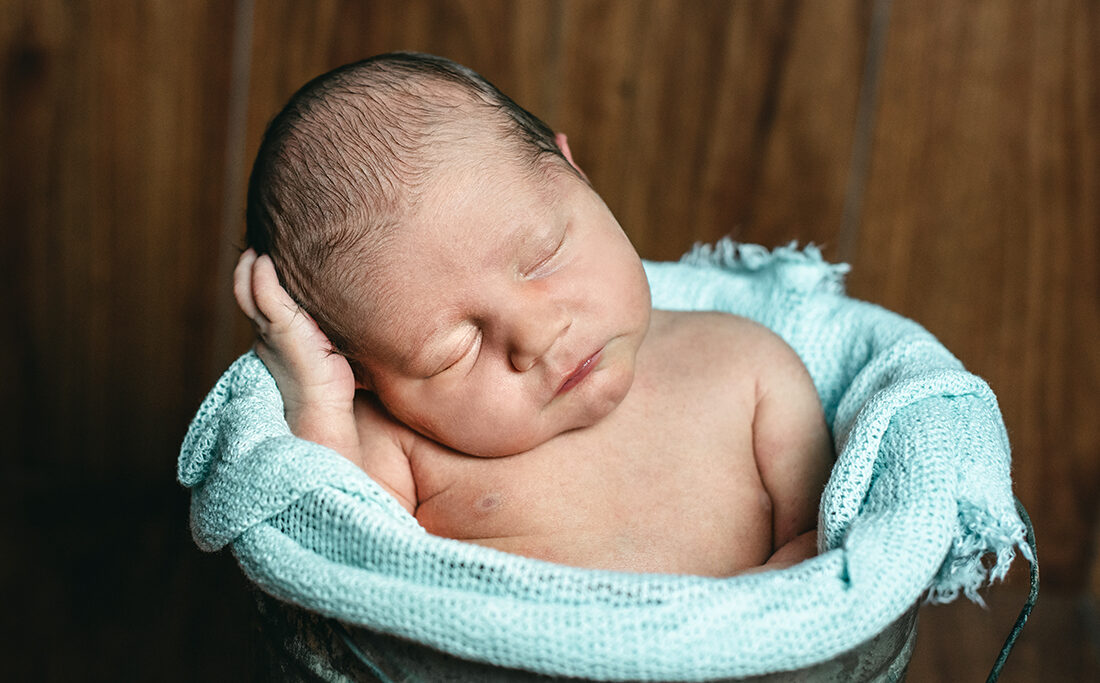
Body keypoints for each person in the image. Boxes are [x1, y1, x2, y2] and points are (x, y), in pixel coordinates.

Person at [233, 52, 833, 577]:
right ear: (362, 372)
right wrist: (317, 405)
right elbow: (338, 566)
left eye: (543, 259)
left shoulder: (746, 365)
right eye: (455, 351)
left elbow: (831, 551)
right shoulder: (398, 446)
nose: (538, 336)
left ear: (573, 171)